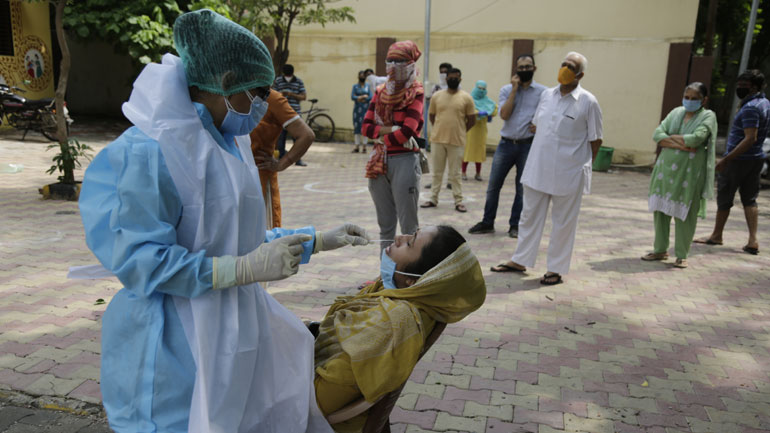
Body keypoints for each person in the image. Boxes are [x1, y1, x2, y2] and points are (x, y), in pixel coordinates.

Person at [78, 10, 369, 432]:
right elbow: (143, 261)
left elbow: (238, 237)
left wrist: (316, 240)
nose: (262, 104)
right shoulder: (147, 152)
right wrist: (242, 269)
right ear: (227, 80)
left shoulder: (227, 142)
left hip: (232, 333)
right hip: (172, 345)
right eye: (258, 91)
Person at [313, 225, 486, 432]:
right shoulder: (406, 297)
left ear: (414, 281)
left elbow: (318, 402)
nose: (397, 238)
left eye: (409, 243)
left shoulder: (388, 325)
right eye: (411, 233)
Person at [490, 52, 602, 285]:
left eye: (571, 66)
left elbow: (596, 139)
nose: (565, 68)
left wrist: (584, 166)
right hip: (538, 166)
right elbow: (538, 127)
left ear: (580, 74)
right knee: (528, 216)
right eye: (563, 63)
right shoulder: (546, 95)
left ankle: (555, 269)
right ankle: (520, 260)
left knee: (563, 223)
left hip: (569, 172)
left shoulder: (588, 101)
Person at [468, 54, 546, 238]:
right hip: (506, 145)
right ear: (516, 70)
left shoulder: (544, 93)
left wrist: (541, 125)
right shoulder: (506, 90)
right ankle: (488, 222)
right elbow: (504, 114)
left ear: (534, 69)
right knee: (494, 185)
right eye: (521, 67)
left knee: (522, 189)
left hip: (528, 146)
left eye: (528, 67)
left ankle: (515, 225)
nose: (524, 70)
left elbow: (549, 115)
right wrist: (514, 90)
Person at [641, 83, 718, 268]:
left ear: (704, 100)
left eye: (694, 98)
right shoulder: (676, 112)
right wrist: (682, 144)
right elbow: (657, 134)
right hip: (665, 171)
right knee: (660, 211)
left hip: (690, 174)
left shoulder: (708, 116)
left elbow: (697, 138)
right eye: (687, 97)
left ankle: (682, 255)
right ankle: (660, 250)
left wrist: (671, 138)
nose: (689, 101)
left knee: (686, 213)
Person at [695, 69, 770, 255]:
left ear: (755, 87)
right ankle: (752, 239)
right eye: (739, 85)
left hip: (739, 160)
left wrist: (727, 159)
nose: (739, 88)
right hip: (756, 158)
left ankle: (717, 235)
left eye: (744, 86)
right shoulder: (764, 102)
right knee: (750, 198)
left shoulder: (751, 107)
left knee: (725, 196)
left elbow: (749, 137)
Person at [362, 40, 425, 254]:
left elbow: (409, 130)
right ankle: (387, 276)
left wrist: (381, 136)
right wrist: (392, 130)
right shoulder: (380, 92)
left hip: (404, 162)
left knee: (409, 227)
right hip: (379, 162)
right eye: (390, 61)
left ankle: (411, 275)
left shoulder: (415, 92)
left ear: (410, 63)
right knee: (385, 227)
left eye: (399, 61)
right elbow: (365, 128)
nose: (393, 66)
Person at [249, 88, 315, 228]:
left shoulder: (270, 97)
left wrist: (282, 163)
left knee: (261, 236)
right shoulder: (230, 93)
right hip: (232, 177)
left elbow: (306, 135)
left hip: (259, 178)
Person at [421, 67, 476, 212]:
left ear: (460, 79)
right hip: (438, 140)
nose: (453, 80)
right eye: (450, 77)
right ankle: (433, 199)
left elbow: (472, 119)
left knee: (455, 174)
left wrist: (461, 131)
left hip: (457, 141)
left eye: (456, 77)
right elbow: (432, 116)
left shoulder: (466, 97)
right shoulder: (437, 96)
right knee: (437, 172)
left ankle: (458, 201)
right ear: (446, 79)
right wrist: (440, 128)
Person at [273, 63, 309, 166]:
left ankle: (298, 160)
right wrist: (281, 94)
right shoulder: (278, 81)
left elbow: (303, 96)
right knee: (280, 137)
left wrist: (291, 94)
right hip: (280, 113)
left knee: (298, 138)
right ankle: (280, 159)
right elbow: (272, 94)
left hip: (294, 113)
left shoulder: (298, 81)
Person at [462, 80, 497, 181]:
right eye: (479, 88)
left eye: (483, 89)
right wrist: (477, 113)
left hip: (481, 130)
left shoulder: (487, 101)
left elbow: (494, 109)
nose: (481, 91)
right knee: (467, 151)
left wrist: (489, 114)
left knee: (479, 152)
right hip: (470, 129)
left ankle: (478, 173)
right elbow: (465, 110)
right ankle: (463, 172)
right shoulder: (469, 100)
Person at [351, 70, 373, 153]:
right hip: (357, 110)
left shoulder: (368, 86)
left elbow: (370, 96)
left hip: (365, 110)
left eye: (363, 76)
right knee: (357, 128)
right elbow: (352, 96)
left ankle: (364, 147)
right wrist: (361, 97)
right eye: (361, 76)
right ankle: (356, 146)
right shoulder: (355, 86)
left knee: (365, 127)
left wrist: (364, 98)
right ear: (358, 77)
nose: (362, 77)